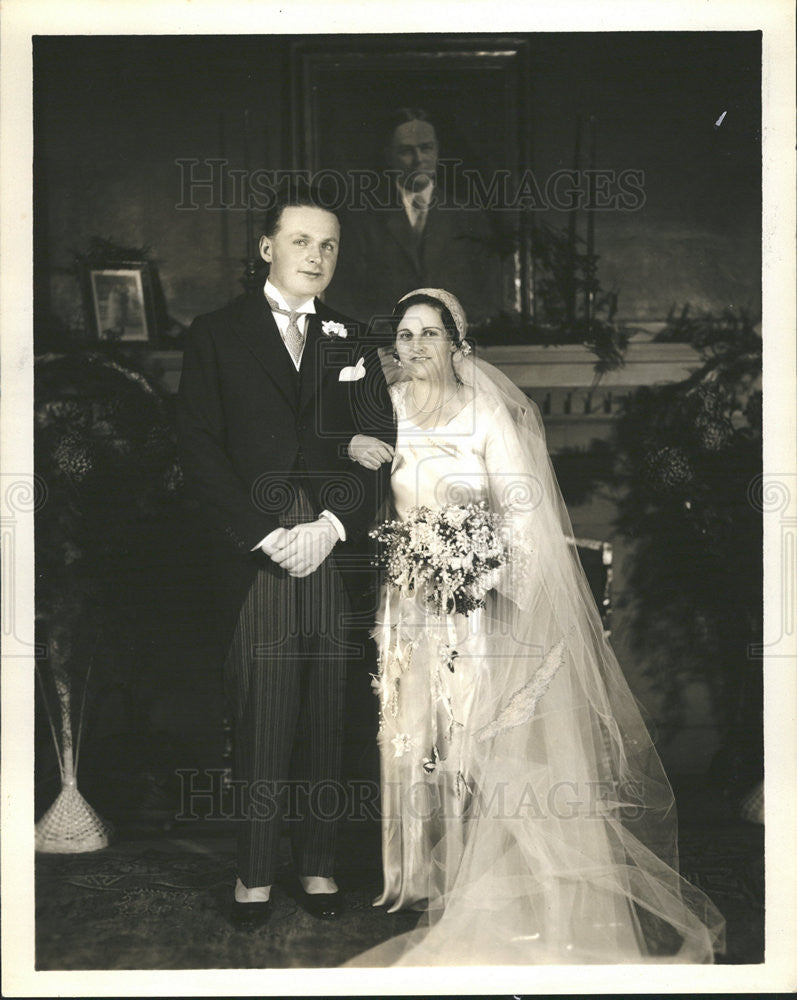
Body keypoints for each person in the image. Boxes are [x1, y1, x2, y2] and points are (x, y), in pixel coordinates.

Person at [347, 288, 726, 964]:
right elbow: (359, 481)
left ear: (455, 345)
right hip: (406, 600)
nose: (412, 348)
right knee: (406, 730)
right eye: (402, 335)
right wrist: (353, 449)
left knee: (465, 735)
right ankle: (408, 875)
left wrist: (487, 583)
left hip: (471, 603)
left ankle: (464, 878)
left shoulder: (487, 410)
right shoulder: (388, 407)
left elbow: (520, 515)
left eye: (427, 334)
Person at [176, 185, 395, 927]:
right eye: (302, 241)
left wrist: (332, 526)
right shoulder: (216, 332)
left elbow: (376, 449)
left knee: (327, 711)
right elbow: (199, 448)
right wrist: (264, 535)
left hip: (330, 543)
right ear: (267, 248)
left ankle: (319, 865)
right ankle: (254, 875)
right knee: (264, 709)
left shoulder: (352, 336)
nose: (317, 255)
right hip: (261, 546)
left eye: (328, 244)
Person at [327, 108, 503, 327]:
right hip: (384, 347)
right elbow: (345, 296)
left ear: (437, 151)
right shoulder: (363, 220)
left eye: (426, 148)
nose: (418, 160)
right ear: (389, 156)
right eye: (406, 151)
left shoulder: (469, 217)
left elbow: (488, 295)